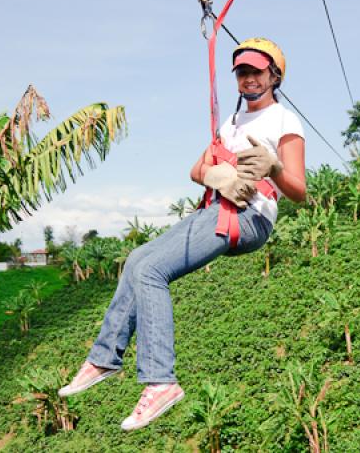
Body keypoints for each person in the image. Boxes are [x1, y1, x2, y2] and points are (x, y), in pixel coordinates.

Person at [57, 38, 306, 431]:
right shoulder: (231, 123)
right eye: (242, 72)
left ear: (274, 75)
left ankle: (161, 381)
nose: (249, 79)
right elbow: (196, 169)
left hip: (249, 217)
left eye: (257, 71)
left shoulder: (284, 121)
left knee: (153, 271)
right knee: (137, 260)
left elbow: (300, 192)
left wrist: (274, 168)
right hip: (218, 208)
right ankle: (105, 358)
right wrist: (215, 174)